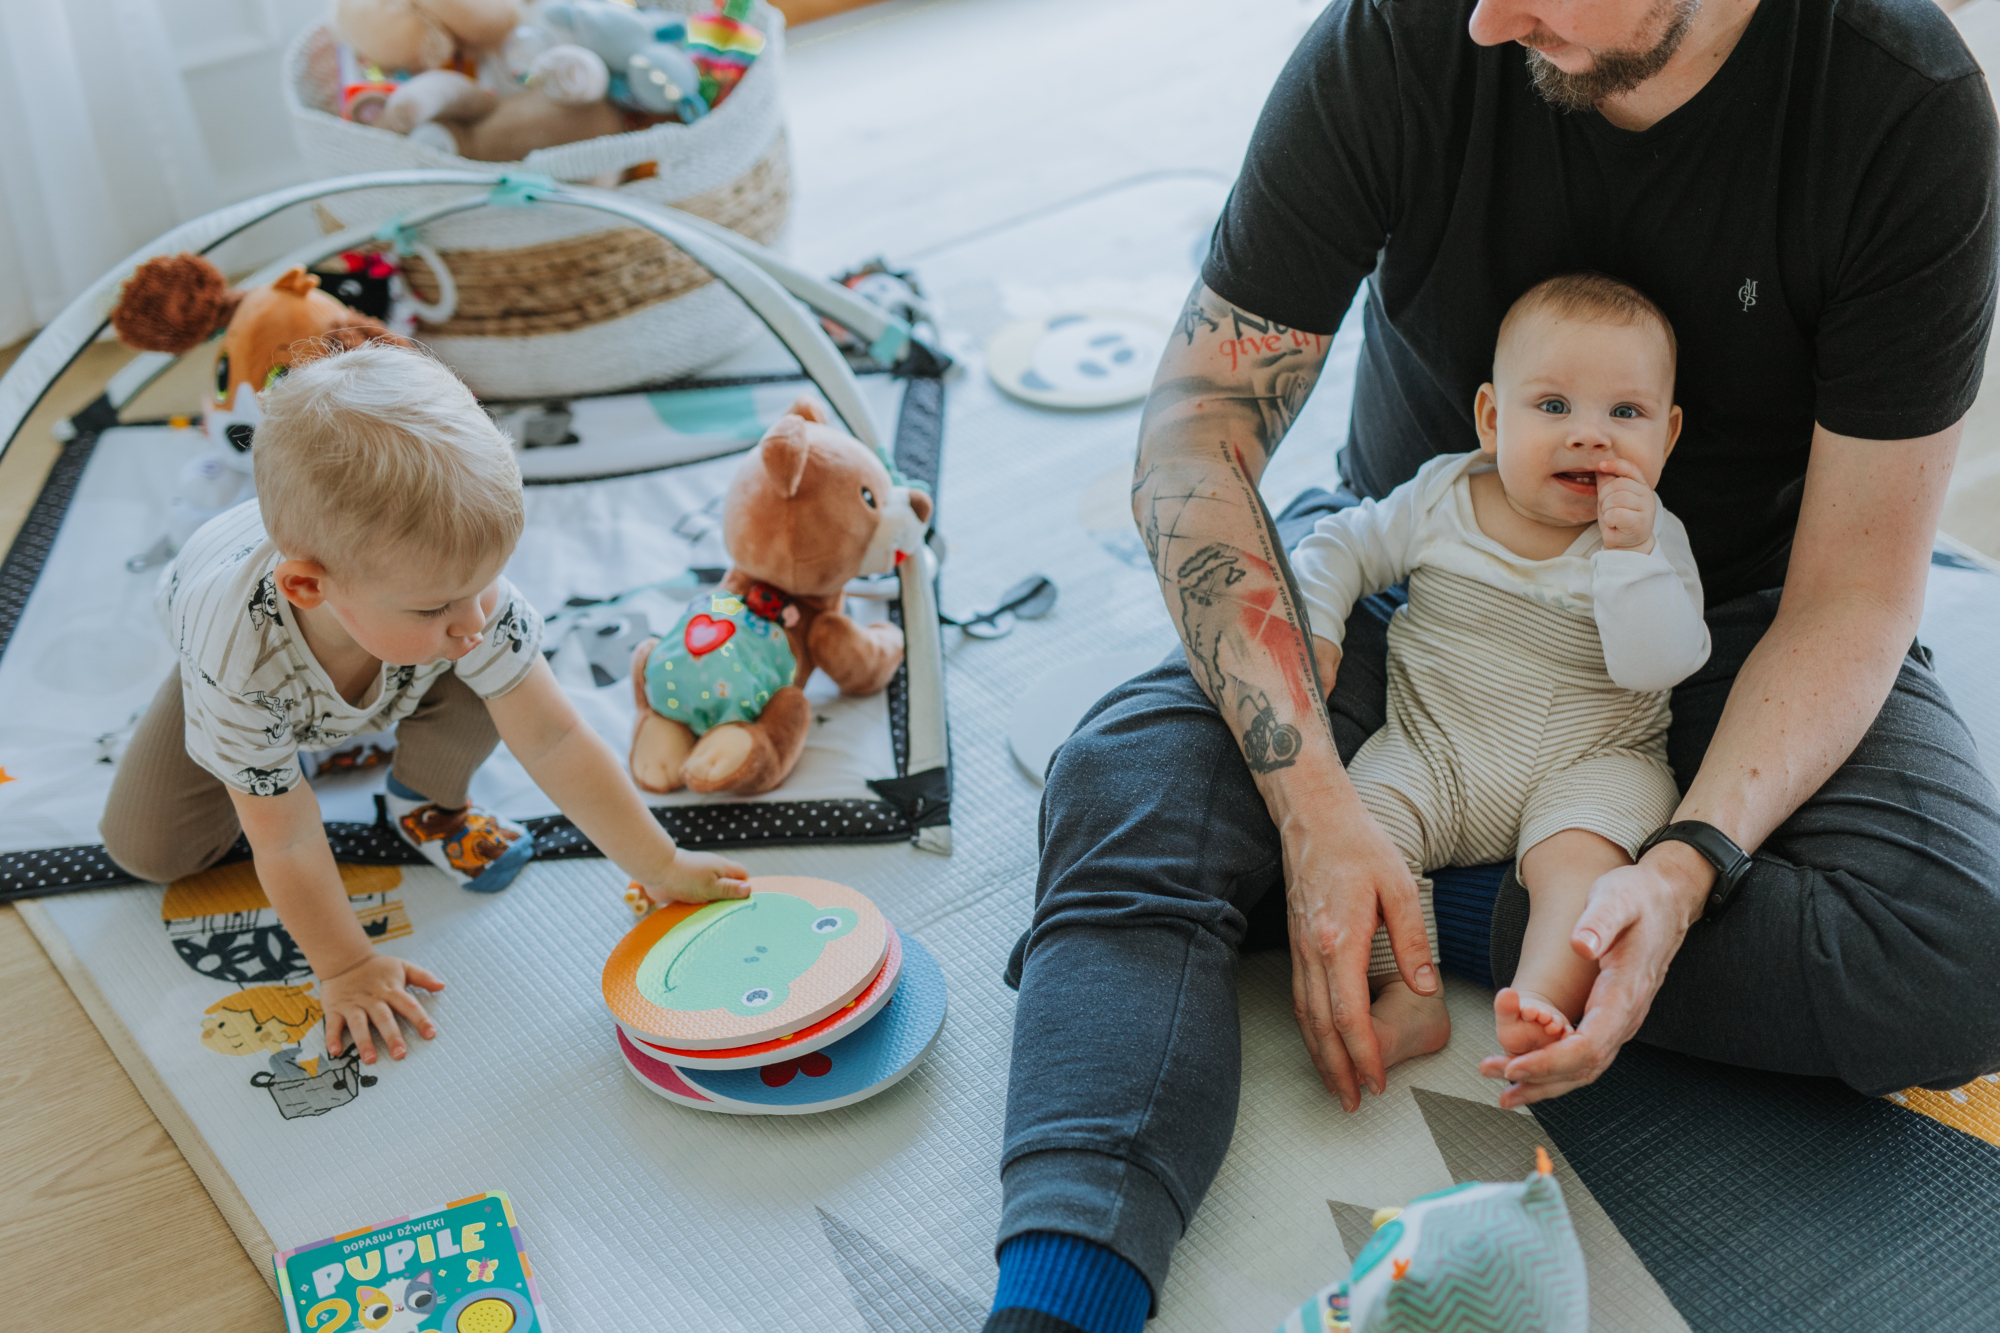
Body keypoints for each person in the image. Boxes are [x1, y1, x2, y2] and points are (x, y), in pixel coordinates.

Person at [985, 0, 2000, 1329]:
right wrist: (1313, 801)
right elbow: (1195, 438)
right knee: (1127, 784)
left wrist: (1681, 868)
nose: (1486, 17)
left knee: (1949, 957)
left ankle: (1421, 897)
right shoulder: (1404, 35)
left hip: (1729, 615)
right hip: (1420, 585)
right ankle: (1059, 1299)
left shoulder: (1900, 107)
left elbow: (1852, 596)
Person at [102, 340, 751, 1064]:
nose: (472, 618)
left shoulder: (459, 601)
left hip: (385, 659)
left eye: (483, 584)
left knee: (497, 670)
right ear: (310, 587)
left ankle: (423, 797)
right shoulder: (234, 660)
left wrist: (659, 864)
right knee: (151, 850)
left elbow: (554, 737)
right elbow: (284, 837)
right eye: (437, 604)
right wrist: (346, 966)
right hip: (246, 678)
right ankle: (291, 748)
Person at [1295, 272, 1708, 1065]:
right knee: (1364, 819)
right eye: (1553, 406)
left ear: (1668, 435)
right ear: (1492, 419)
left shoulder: (1654, 540)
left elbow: (1660, 663)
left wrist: (1630, 560)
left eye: (1626, 413)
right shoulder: (1441, 496)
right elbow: (1339, 542)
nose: (1590, 435)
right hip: (1437, 749)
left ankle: (1543, 997)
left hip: (1592, 759)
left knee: (1585, 864)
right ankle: (1408, 991)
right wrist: (1315, 625)